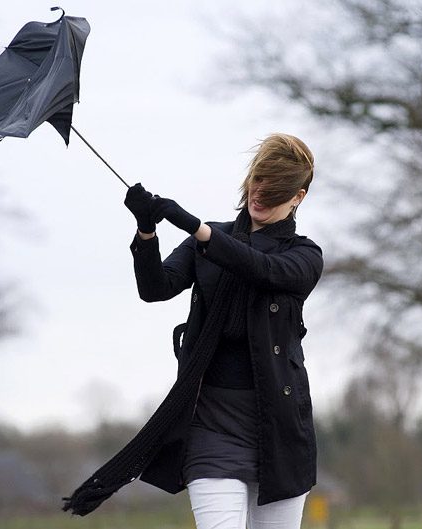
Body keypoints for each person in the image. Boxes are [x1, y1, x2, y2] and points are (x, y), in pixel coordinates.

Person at [123, 133, 323, 529]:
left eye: (277, 190)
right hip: (210, 425)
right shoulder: (209, 240)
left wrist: (198, 230)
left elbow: (261, 269)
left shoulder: (303, 256)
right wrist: (147, 231)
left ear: (298, 197)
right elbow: (155, 289)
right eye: (258, 181)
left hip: (279, 432)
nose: (261, 194)